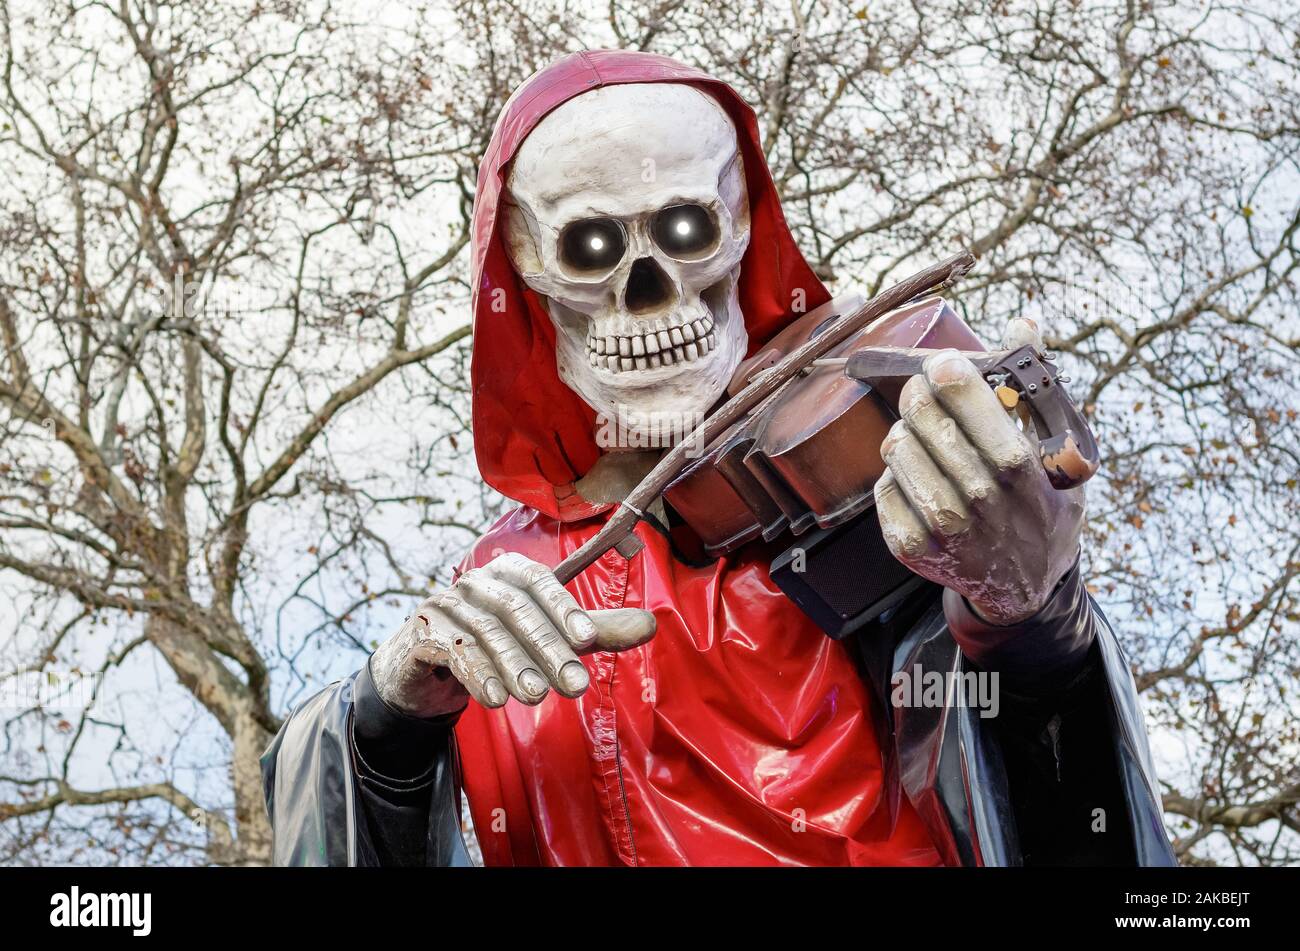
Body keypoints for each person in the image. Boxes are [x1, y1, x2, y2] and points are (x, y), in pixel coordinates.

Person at [261, 49, 1175, 867]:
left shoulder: (853, 496)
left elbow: (1051, 807)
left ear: (744, 230)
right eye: (589, 245)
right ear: (524, 272)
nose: (650, 288)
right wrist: (386, 716)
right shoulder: (495, 576)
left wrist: (1033, 616)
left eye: (688, 230)